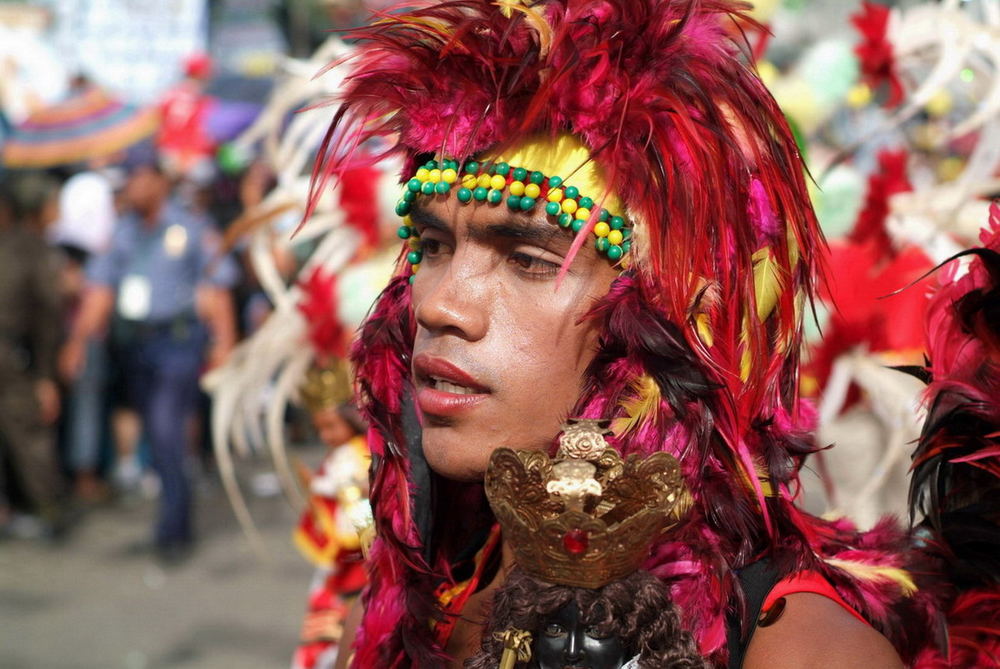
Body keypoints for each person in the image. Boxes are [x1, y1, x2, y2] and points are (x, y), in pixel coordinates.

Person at [309, 1, 995, 667]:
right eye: (429, 245)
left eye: (528, 258)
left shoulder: (804, 650)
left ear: (675, 316)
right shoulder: (397, 614)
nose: (442, 305)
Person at [61, 152, 238, 561]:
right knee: (157, 435)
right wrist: (77, 341)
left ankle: (173, 530)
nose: (130, 188)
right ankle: (171, 517)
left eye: (137, 178)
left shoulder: (191, 227)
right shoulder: (122, 233)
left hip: (178, 343)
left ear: (159, 180)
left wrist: (224, 342)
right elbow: (100, 290)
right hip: (135, 346)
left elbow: (217, 285)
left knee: (164, 428)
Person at [0, 173, 66, 536]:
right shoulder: (31, 250)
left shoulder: (20, 246)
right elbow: (48, 313)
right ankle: (31, 509)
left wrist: (43, 373)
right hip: (12, 355)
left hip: (12, 353)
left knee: (24, 429)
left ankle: (38, 508)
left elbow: (45, 313)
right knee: (26, 431)